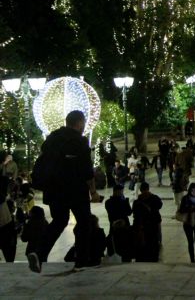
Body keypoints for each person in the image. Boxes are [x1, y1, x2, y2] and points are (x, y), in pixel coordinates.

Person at [28, 110, 99, 273]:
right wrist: (93, 192)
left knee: (59, 220)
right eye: (83, 122)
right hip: (75, 189)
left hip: (53, 189)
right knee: (84, 222)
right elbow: (87, 171)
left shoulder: (52, 138)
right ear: (79, 123)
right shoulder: (79, 142)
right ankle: (81, 261)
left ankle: (39, 253)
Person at [132, 182, 163, 262]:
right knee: (151, 242)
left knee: (149, 243)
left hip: (148, 225)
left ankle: (148, 257)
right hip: (148, 225)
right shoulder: (152, 198)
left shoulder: (138, 201)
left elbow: (135, 215)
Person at [104, 184, 134, 261]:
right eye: (121, 191)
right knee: (124, 243)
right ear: (116, 191)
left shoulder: (108, 202)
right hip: (122, 226)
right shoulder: (120, 202)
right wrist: (125, 202)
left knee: (114, 243)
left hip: (114, 226)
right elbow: (129, 212)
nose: (122, 193)